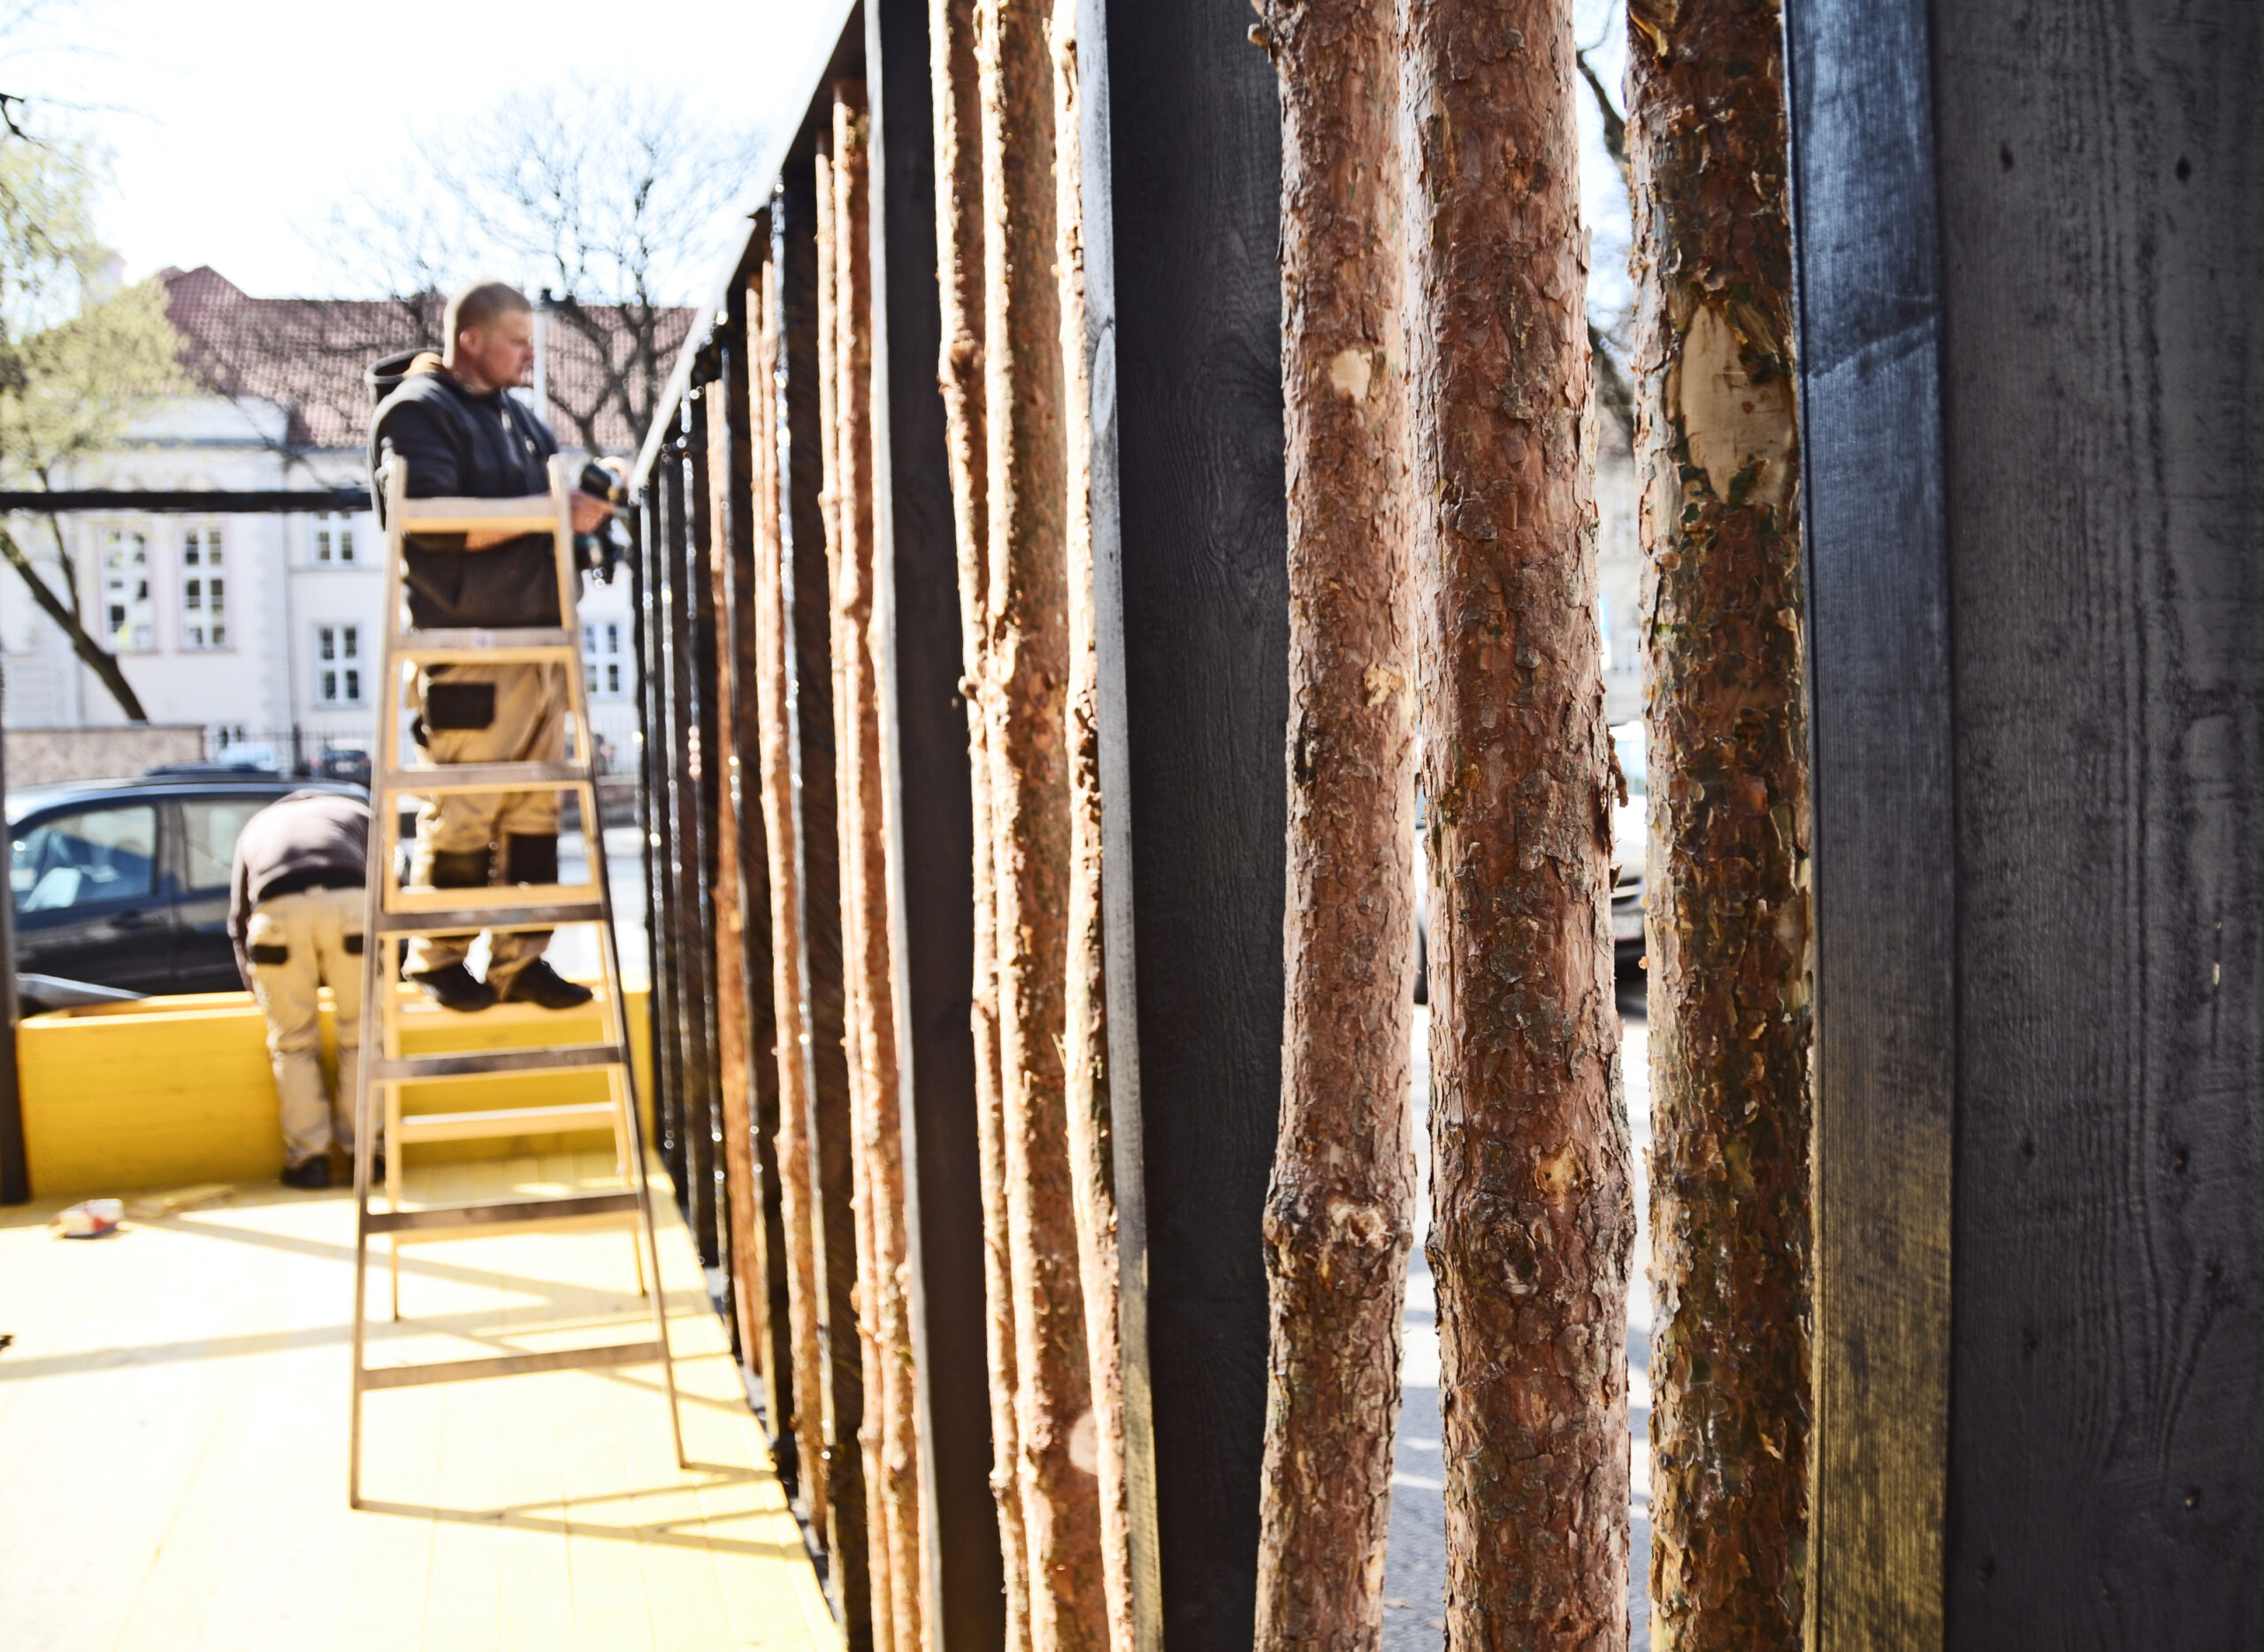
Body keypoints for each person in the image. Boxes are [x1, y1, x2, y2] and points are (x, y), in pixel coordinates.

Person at [369, 279, 613, 1014]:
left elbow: (541, 512)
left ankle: (519, 961)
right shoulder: (417, 411)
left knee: (535, 815)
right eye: (517, 342)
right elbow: (429, 521)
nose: (529, 357)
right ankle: (437, 958)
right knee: (465, 812)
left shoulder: (520, 419)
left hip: (539, 643)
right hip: (469, 646)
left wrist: (585, 512)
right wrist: (551, 511)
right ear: (469, 339)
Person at [229, 791, 371, 1190]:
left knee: (292, 1044)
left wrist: (255, 988)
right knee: (362, 1037)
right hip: (352, 907)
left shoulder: (257, 825)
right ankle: (369, 1156)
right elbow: (393, 886)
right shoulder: (357, 813)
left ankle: (309, 1161)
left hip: (277, 913)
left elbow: (238, 917)